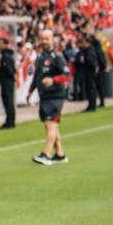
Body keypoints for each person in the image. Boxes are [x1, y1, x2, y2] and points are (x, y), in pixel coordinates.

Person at [27, 29, 70, 165]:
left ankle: (46, 154)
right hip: (44, 96)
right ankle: (60, 154)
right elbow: (37, 77)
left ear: (52, 40)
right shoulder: (40, 58)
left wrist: (54, 80)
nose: (44, 41)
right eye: (42, 39)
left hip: (56, 95)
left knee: (50, 124)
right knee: (50, 125)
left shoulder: (58, 57)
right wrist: (30, 91)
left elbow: (66, 76)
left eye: (47, 39)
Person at [0, 38, 16, 129]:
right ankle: (10, 121)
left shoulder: (6, 56)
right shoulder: (7, 55)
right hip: (7, 81)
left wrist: (7, 77)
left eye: (0, 43)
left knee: (8, 101)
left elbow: (9, 70)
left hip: (7, 82)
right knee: (8, 101)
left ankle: (10, 122)